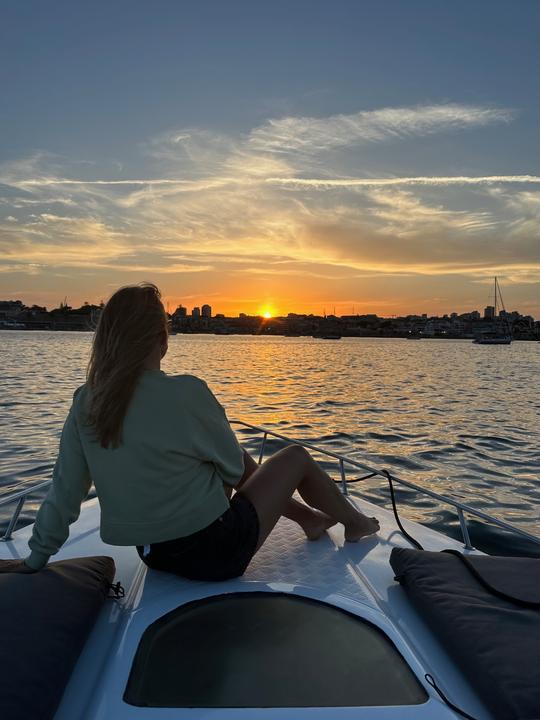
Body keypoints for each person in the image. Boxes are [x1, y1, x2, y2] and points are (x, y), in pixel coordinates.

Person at [1, 283, 379, 580]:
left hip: (155, 556)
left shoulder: (87, 401)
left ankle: (310, 519)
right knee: (294, 456)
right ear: (162, 341)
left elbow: (65, 490)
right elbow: (236, 471)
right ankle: (356, 523)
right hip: (219, 554)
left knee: (217, 454)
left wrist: (37, 558)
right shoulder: (186, 392)